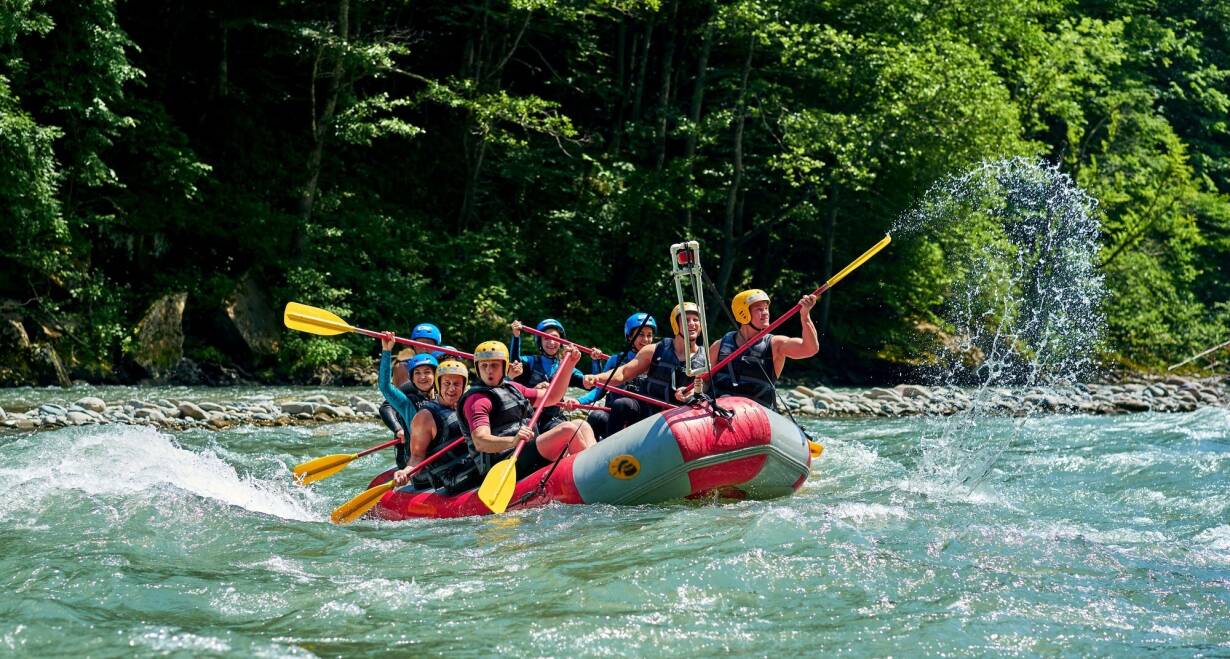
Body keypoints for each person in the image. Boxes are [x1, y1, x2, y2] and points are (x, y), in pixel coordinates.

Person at [459, 340, 596, 479]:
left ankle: (597, 467)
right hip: (504, 460)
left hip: (526, 449)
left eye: (494, 365)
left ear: (505, 366)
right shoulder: (476, 400)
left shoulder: (513, 388)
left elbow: (553, 396)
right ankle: (592, 477)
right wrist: (513, 441)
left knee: (581, 425)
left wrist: (568, 365)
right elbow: (480, 442)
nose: (489, 370)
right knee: (567, 430)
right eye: (484, 365)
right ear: (477, 368)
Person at [583, 304, 707, 434]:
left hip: (677, 416)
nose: (692, 324)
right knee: (622, 404)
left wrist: (691, 393)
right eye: (686, 320)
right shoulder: (654, 350)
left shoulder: (706, 358)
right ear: (676, 325)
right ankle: (611, 450)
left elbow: (706, 386)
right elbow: (624, 373)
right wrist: (597, 378)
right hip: (646, 410)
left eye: (695, 320)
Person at [707, 289, 818, 408]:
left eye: (766, 308)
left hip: (757, 414)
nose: (765, 313)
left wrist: (805, 316)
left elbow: (810, 349)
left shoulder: (776, 344)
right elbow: (702, 380)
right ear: (743, 314)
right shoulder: (720, 345)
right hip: (721, 409)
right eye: (759, 309)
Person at [390, 358, 477, 492]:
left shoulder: (466, 406)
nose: (452, 389)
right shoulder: (425, 416)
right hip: (446, 476)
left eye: (457, 384)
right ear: (438, 385)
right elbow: (417, 456)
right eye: (446, 383)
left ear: (464, 386)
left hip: (466, 464)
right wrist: (406, 472)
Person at [575, 312, 657, 438]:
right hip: (615, 415)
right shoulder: (615, 360)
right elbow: (599, 390)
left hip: (641, 417)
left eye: (649, 335)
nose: (646, 340)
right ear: (630, 337)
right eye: (641, 334)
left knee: (624, 405)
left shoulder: (656, 363)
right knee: (596, 417)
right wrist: (578, 401)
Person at [508, 318, 596, 432]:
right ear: (540, 341)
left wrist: (595, 361)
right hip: (529, 419)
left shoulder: (566, 367)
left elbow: (594, 386)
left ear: (561, 342)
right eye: (546, 338)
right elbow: (515, 364)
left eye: (555, 338)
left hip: (554, 419)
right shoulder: (530, 362)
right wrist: (516, 336)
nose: (551, 342)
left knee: (579, 427)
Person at [378, 352, 438, 468]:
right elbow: (385, 386)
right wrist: (386, 350)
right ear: (412, 379)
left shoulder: (445, 397)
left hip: (443, 456)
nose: (422, 377)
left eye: (427, 372)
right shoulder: (406, 403)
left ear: (435, 375)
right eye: (417, 373)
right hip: (421, 464)